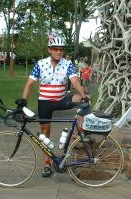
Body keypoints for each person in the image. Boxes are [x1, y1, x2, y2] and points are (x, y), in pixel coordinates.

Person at [20, 34, 88, 178]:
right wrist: (23, 101)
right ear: (49, 50)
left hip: (61, 99)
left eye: (61, 49)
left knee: (84, 101)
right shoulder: (40, 64)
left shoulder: (68, 64)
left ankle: (81, 132)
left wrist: (83, 96)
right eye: (55, 49)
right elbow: (30, 83)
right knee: (45, 134)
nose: (58, 51)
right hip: (45, 101)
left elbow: (75, 81)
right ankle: (47, 163)